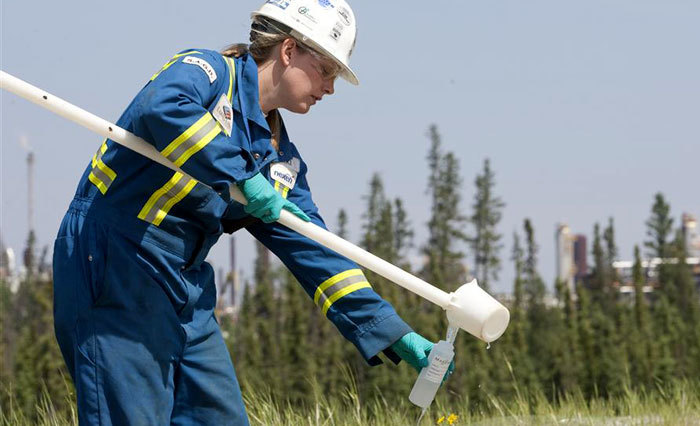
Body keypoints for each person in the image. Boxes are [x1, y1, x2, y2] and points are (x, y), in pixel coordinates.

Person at [52, 1, 452, 424]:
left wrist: (392, 329)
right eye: (327, 70)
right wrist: (241, 176)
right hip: (118, 260)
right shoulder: (205, 72)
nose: (330, 88)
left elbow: (316, 249)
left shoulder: (279, 159)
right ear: (288, 50)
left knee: (219, 416)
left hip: (184, 283)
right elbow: (165, 108)